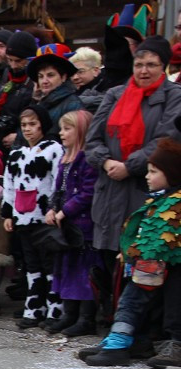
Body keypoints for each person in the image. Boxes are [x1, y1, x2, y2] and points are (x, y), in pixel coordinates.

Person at [83, 137, 181, 367]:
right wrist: (130, 252)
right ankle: (136, 340)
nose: (147, 177)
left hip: (165, 264)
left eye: (153, 171)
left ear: (172, 174)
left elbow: (163, 239)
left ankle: (161, 343)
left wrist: (141, 255)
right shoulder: (158, 201)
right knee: (135, 298)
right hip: (152, 264)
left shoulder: (175, 203)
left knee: (138, 298)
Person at [86, 36, 181, 266]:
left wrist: (129, 167)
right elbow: (92, 139)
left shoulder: (175, 96)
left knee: (142, 267)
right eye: (138, 65)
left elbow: (166, 140)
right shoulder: (115, 94)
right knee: (108, 269)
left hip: (144, 192)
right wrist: (106, 162)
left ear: (164, 67)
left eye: (151, 65)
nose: (143, 71)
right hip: (109, 192)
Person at [2, 106, 65, 328]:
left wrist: (54, 207)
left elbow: (59, 181)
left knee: (50, 262)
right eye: (24, 125)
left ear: (43, 125)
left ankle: (54, 308)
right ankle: (34, 305)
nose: (28, 130)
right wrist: (8, 213)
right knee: (31, 264)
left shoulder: (53, 149)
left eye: (33, 124)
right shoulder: (16, 153)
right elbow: (8, 184)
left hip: (44, 217)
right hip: (22, 216)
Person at [44, 109, 102, 336]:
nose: (62, 133)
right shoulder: (64, 159)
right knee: (67, 270)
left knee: (83, 273)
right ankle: (69, 314)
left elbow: (88, 193)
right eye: (61, 128)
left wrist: (64, 211)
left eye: (68, 129)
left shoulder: (86, 160)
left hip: (82, 226)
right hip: (66, 226)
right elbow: (57, 189)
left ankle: (86, 317)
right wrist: (52, 208)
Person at [26, 53, 83, 139]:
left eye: (50, 75)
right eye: (41, 76)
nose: (44, 81)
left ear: (63, 77)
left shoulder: (73, 104)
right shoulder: (38, 102)